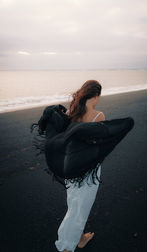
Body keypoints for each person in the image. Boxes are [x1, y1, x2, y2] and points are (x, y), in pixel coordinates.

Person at [55, 80, 105, 252]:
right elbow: (98, 144)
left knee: (74, 202)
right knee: (81, 207)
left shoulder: (71, 113)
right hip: (88, 167)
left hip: (70, 164)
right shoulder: (99, 116)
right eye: (99, 96)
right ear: (96, 96)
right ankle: (67, 246)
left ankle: (80, 236)